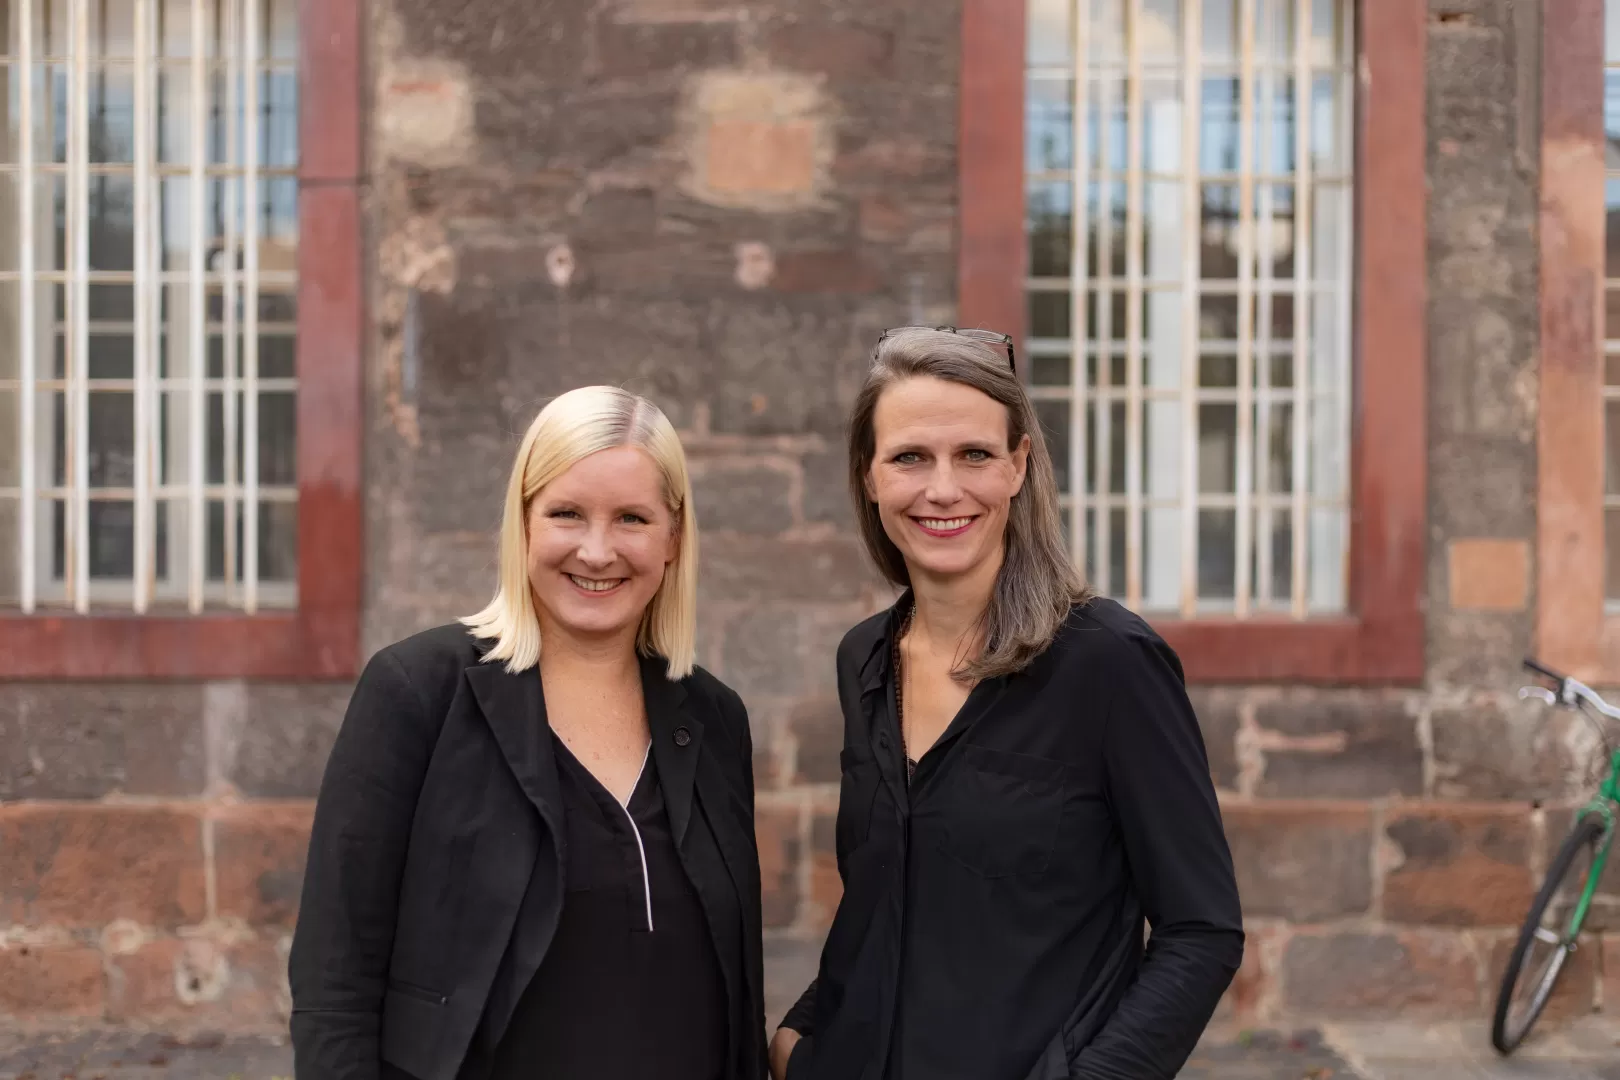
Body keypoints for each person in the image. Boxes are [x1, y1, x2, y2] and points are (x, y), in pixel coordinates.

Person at [768, 328, 1244, 1080]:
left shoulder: (1109, 662)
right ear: (869, 476)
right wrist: (800, 1037)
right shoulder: (863, 660)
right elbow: (882, 903)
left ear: (1018, 465)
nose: (943, 489)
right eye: (910, 457)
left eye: (975, 455)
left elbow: (1202, 930)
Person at [289, 386, 766, 1080]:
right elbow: (336, 979)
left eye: (632, 518)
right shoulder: (418, 691)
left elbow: (738, 987)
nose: (596, 551)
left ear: (673, 538)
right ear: (524, 523)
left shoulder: (715, 719)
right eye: (567, 513)